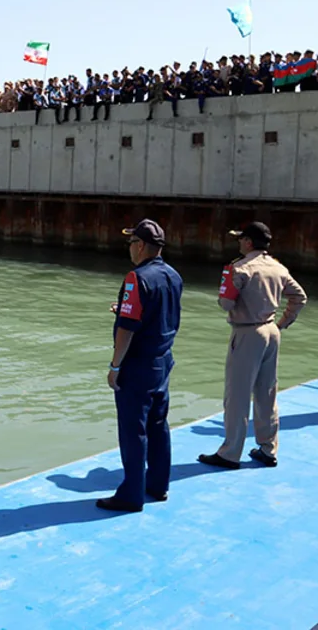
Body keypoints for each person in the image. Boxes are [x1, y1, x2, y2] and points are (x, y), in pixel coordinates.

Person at [198, 222, 306, 470]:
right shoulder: (278, 267)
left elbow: (226, 303)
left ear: (248, 242)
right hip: (271, 330)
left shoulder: (239, 268)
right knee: (267, 392)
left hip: (247, 332)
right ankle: (268, 448)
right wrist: (283, 322)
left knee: (237, 395)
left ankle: (230, 453)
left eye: (240, 239)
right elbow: (300, 297)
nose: (239, 243)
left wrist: (226, 289)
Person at [98, 219, 183, 512]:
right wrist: (124, 310)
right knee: (158, 424)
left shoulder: (136, 278)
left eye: (132, 242)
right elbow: (159, 314)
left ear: (142, 246)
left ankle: (130, 495)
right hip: (163, 360)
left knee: (133, 430)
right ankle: (158, 485)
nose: (130, 248)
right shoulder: (173, 275)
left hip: (138, 365)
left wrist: (115, 367)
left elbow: (128, 328)